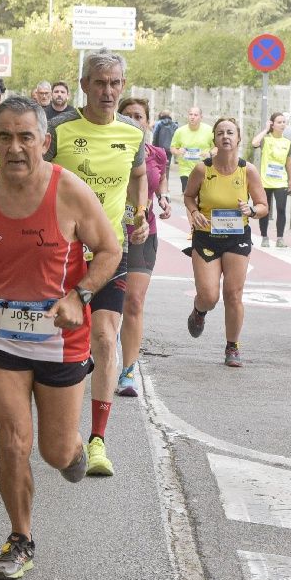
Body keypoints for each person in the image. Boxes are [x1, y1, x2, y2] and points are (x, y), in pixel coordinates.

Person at [0, 96, 121, 580]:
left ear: (45, 141)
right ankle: (20, 538)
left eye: (26, 136)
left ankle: (74, 453)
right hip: (1, 332)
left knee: (55, 452)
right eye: (5, 136)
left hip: (61, 337)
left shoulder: (71, 193)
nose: (15, 147)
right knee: (12, 443)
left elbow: (109, 250)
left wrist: (80, 295)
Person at [46, 53, 148, 476]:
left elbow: (138, 177)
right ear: (84, 84)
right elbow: (36, 178)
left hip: (111, 252)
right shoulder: (58, 130)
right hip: (61, 252)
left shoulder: (133, 133)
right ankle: (58, 428)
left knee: (105, 337)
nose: (108, 92)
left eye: (116, 83)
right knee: (60, 342)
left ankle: (98, 440)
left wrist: (136, 217)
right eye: (101, 83)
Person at [182, 117, 267, 366]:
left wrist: (250, 211)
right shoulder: (202, 169)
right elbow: (188, 197)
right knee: (209, 296)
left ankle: (232, 346)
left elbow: (263, 206)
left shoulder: (247, 170)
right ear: (215, 139)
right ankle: (199, 311)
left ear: (239, 138)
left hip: (236, 237)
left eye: (230, 132)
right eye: (220, 133)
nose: (225, 137)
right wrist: (194, 212)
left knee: (233, 293)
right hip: (207, 235)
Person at [114, 96, 169, 396]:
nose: (135, 121)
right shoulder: (109, 148)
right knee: (98, 302)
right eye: (128, 116)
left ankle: (127, 371)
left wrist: (163, 198)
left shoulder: (157, 153)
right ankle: (91, 353)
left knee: (133, 302)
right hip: (106, 232)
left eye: (140, 116)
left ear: (148, 122)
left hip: (143, 232)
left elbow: (159, 181)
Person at [249, 112, 291, 248]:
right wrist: (265, 129)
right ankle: (264, 236)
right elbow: (254, 143)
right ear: (272, 124)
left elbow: (289, 162)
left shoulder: (287, 143)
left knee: (281, 208)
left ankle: (280, 238)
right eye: (279, 122)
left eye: (284, 122)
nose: (282, 125)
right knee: (265, 209)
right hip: (265, 181)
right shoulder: (266, 139)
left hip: (281, 180)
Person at [169, 106, 213, 197]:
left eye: (196, 115)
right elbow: (172, 148)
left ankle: (198, 211)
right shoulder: (180, 131)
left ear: (201, 117)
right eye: (190, 114)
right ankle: (192, 211)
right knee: (188, 197)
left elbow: (217, 147)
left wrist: (210, 153)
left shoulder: (209, 130)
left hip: (203, 170)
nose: (192, 117)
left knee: (201, 198)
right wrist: (178, 151)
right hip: (185, 170)